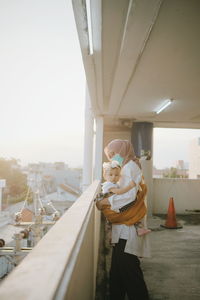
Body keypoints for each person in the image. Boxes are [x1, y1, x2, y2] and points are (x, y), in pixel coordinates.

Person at [96, 139, 150, 300]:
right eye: (110, 155)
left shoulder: (129, 167)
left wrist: (104, 202)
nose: (113, 157)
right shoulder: (126, 165)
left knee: (129, 270)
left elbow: (128, 196)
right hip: (123, 229)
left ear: (123, 150)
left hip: (128, 228)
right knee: (118, 270)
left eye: (114, 153)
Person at [98, 160, 151, 236]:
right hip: (112, 207)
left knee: (131, 212)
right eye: (110, 174)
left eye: (116, 175)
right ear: (104, 175)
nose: (114, 177)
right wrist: (129, 186)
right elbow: (119, 192)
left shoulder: (115, 184)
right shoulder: (108, 185)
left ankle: (138, 228)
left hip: (115, 205)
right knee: (131, 211)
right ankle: (138, 228)